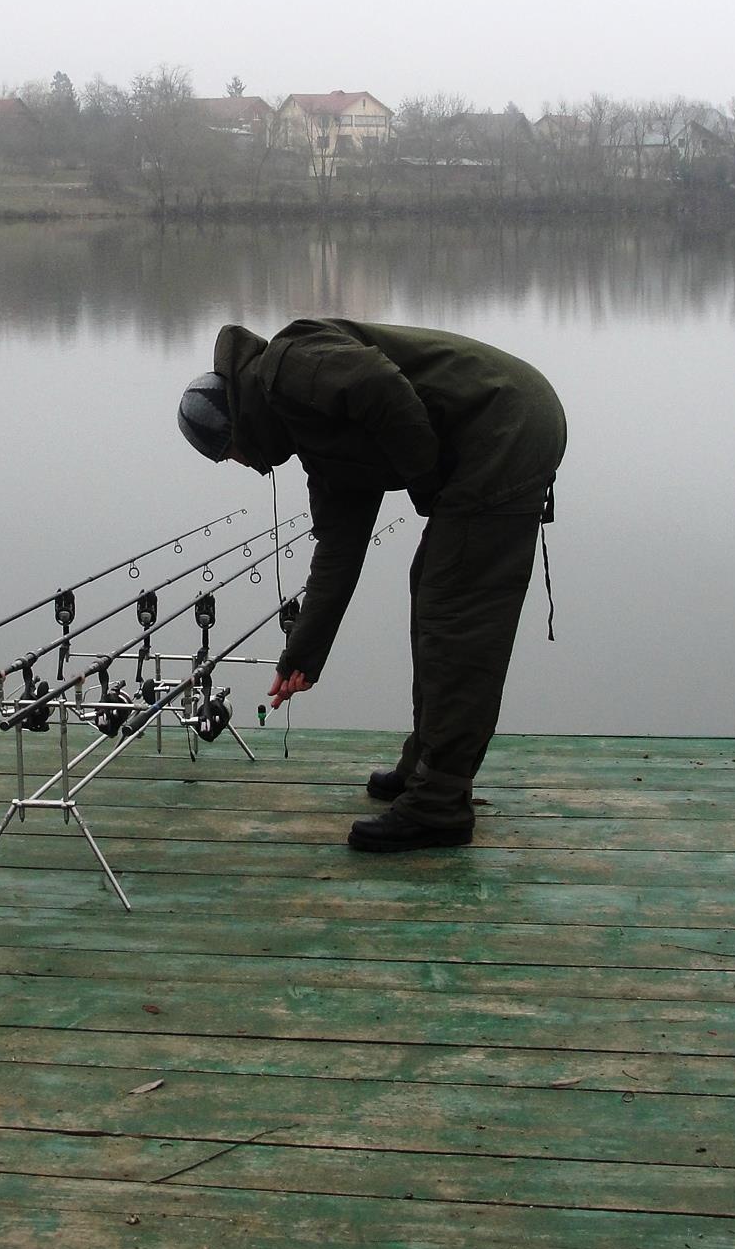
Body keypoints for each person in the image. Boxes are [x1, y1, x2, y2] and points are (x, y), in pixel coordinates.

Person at [177, 319, 566, 853]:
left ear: (235, 427)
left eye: (230, 454)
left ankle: (439, 803)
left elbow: (380, 386)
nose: (245, 465)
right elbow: (337, 553)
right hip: (490, 440)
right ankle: (425, 765)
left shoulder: (288, 365)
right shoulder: (319, 446)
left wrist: (426, 484)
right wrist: (302, 656)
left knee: (457, 615)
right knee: (431, 591)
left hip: (505, 428)